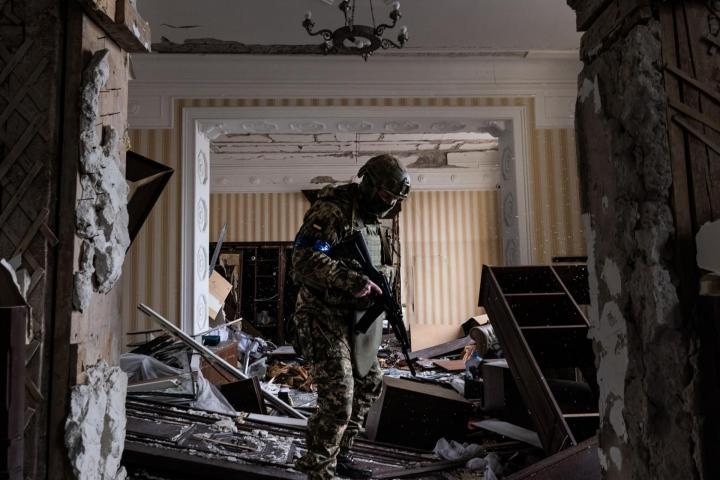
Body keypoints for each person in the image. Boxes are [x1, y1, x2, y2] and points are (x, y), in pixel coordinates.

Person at [291, 154, 411, 480]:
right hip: (322, 315)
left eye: (396, 199)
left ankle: (339, 455)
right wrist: (353, 281)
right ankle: (317, 469)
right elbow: (303, 259)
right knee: (339, 397)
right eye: (386, 195)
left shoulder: (371, 223)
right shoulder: (334, 211)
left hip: (355, 319)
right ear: (369, 184)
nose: (390, 204)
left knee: (369, 383)